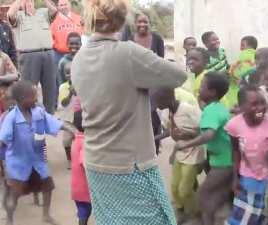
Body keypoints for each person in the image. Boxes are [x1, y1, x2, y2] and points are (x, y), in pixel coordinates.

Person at [71, 0, 187, 224]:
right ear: (124, 21)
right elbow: (178, 76)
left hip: (96, 159)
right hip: (130, 164)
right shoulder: (128, 53)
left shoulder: (79, 58)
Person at [0, 80, 77, 225]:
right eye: (32, 96)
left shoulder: (39, 112)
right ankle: (9, 219)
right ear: (21, 100)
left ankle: (46, 215)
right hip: (18, 163)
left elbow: (56, 123)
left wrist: (72, 129)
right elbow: (0, 139)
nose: (36, 99)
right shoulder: (11, 118)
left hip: (37, 161)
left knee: (48, 186)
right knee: (15, 195)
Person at [174, 72, 232, 225]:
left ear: (212, 92)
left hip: (223, 162)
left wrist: (185, 144)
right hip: (222, 159)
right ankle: (210, 219)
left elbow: (209, 135)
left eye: (202, 86)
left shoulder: (211, 111)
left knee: (203, 195)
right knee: (214, 195)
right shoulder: (217, 108)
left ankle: (205, 221)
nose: (199, 89)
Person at [225, 86, 268, 225]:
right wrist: (235, 178)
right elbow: (235, 151)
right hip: (247, 177)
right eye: (254, 104)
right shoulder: (234, 125)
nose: (261, 108)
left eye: (263, 102)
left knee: (263, 214)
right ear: (241, 106)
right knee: (241, 218)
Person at [154, 88, 205, 224]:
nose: (156, 105)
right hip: (180, 153)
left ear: (169, 98)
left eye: (158, 101)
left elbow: (205, 130)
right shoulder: (166, 113)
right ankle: (181, 210)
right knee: (175, 188)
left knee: (184, 190)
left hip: (194, 153)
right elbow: (170, 132)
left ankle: (197, 213)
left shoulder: (189, 110)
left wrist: (188, 136)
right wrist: (155, 138)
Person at [7, 0, 59, 114]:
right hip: (29, 55)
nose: (29, 2)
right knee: (29, 89)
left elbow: (55, 10)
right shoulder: (19, 16)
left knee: (50, 88)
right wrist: (19, 2)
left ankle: (49, 116)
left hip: (48, 53)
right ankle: (29, 116)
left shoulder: (43, 12)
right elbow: (10, 14)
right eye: (26, 1)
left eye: (31, 0)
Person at [129, 11, 165, 154]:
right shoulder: (130, 39)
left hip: (153, 83)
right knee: (137, 114)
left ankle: (155, 146)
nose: (142, 24)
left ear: (150, 24)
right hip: (136, 83)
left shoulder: (156, 39)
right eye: (140, 22)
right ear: (135, 24)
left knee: (153, 115)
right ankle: (139, 146)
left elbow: (161, 60)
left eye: (145, 22)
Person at [70, 110, 92, 225]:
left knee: (83, 211)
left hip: (76, 186)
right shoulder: (85, 142)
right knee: (86, 211)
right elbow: (84, 163)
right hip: (85, 187)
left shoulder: (76, 139)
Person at [225, 35, 257, 109]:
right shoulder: (257, 56)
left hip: (238, 91)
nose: (240, 48)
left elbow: (235, 73)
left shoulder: (244, 54)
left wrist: (228, 73)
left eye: (242, 45)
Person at [50, 0, 82, 68]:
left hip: (77, 54)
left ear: (70, 5)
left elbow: (84, 34)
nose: (64, 7)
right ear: (58, 7)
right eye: (61, 5)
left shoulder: (78, 18)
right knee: (60, 77)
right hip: (59, 55)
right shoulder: (54, 21)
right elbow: (51, 38)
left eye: (65, 4)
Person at [58, 62, 79, 168]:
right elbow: (63, 103)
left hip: (81, 119)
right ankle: (69, 160)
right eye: (67, 73)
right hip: (68, 119)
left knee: (83, 139)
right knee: (66, 141)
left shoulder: (83, 84)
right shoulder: (63, 87)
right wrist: (70, 93)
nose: (70, 75)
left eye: (72, 72)